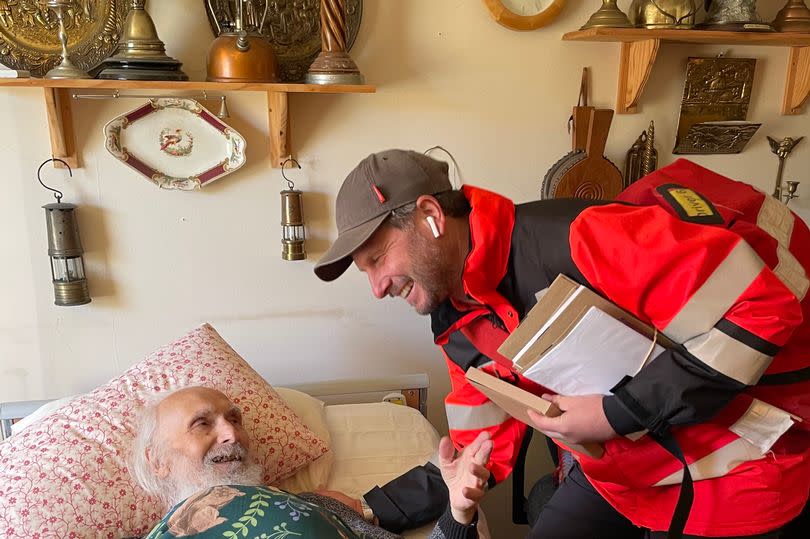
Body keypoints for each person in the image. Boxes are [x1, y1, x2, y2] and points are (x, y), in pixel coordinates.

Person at [313, 149, 810, 538]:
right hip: (622, 481)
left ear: (430, 216)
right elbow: (478, 446)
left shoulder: (582, 238)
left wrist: (615, 413)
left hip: (735, 475)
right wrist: (374, 507)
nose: (377, 288)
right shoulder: (455, 319)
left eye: (378, 260)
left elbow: (763, 308)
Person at [130, 386, 493, 538]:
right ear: (156, 460)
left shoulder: (318, 506)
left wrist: (460, 514)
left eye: (235, 419)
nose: (231, 434)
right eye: (202, 423)